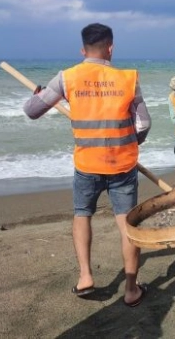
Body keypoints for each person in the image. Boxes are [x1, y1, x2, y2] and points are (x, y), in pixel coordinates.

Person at [23, 23, 150, 307]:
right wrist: (132, 142)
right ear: (111, 47)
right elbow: (144, 123)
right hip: (122, 165)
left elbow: (32, 111)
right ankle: (131, 289)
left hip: (87, 165)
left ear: (83, 50)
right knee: (127, 224)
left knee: (82, 214)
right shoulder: (128, 78)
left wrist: (39, 95)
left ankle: (85, 277)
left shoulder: (67, 78)